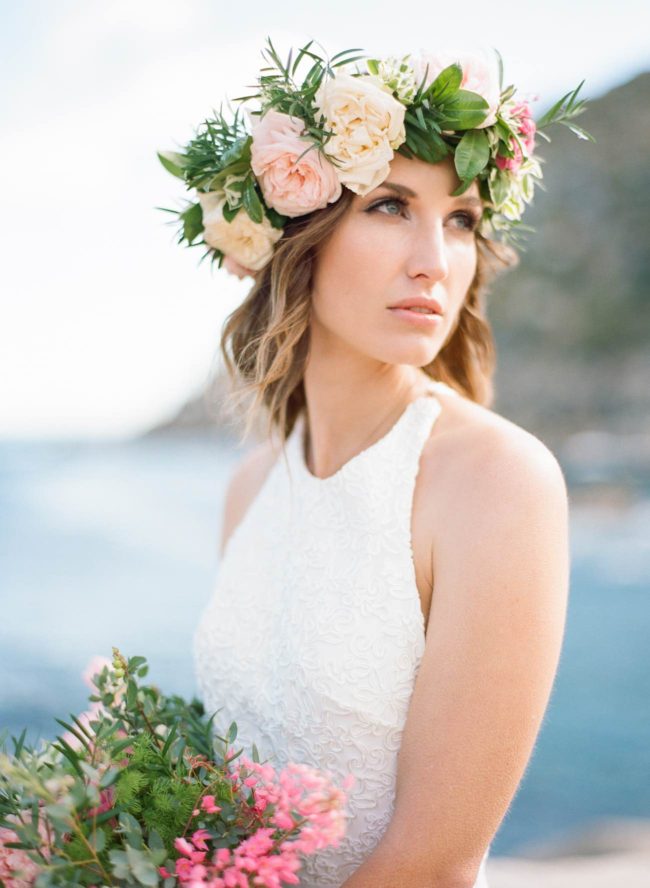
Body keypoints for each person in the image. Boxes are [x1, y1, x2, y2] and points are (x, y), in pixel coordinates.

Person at [163, 38, 592, 888]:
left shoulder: (497, 481)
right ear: (296, 232)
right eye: (392, 205)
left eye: (461, 218)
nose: (435, 260)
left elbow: (433, 867)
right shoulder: (250, 489)